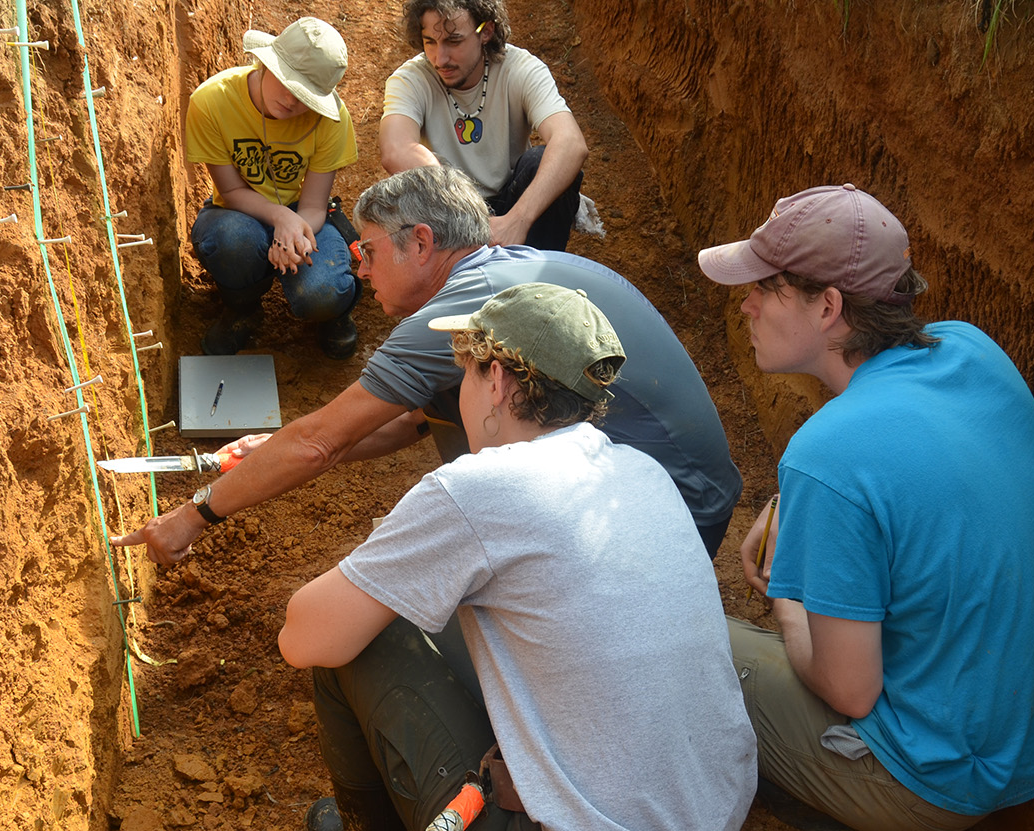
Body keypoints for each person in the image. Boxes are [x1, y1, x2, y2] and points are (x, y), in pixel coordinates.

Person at [278, 283, 756, 831]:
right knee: (458, 613)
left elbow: (304, 637)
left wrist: (384, 563)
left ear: (497, 379)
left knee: (358, 645)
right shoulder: (641, 470)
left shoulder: (480, 488)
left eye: (465, 370)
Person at [699, 183, 1034, 831]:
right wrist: (801, 508)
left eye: (766, 288)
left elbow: (850, 690)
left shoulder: (830, 454)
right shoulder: (973, 351)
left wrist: (788, 596)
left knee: (688, 643)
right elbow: (915, 473)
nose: (746, 304)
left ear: (829, 308)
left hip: (933, 780)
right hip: (1030, 732)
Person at [114, 165, 740, 563]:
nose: (358, 267)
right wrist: (275, 444)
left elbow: (320, 445)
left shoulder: (462, 309)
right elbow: (408, 421)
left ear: (420, 241)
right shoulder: (498, 274)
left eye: (368, 250)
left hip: (665, 508)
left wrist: (192, 516)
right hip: (679, 487)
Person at [185, 16, 362, 359]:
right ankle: (243, 308)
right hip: (237, 210)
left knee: (321, 291)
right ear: (266, 61)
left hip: (304, 215)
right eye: (286, 81)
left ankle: (334, 312)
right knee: (232, 242)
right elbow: (231, 191)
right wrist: (279, 217)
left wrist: (294, 232)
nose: (292, 100)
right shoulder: (211, 101)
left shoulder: (331, 121)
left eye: (306, 95)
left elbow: (313, 204)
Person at [377, 0, 587, 251]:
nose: (440, 58)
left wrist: (518, 219)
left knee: (541, 161)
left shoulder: (521, 68)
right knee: (412, 195)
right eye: (430, 42)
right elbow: (395, 148)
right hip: (446, 205)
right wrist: (470, 211)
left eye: (454, 41)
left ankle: (533, 277)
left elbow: (571, 143)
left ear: (486, 31)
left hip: (511, 200)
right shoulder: (410, 79)